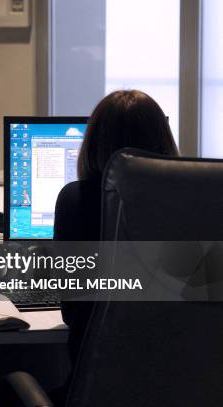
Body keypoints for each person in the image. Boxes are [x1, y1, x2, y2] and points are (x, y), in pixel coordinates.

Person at [51, 89, 179, 404]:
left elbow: (71, 312)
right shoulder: (191, 203)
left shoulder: (75, 201)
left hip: (95, 395)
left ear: (92, 143)